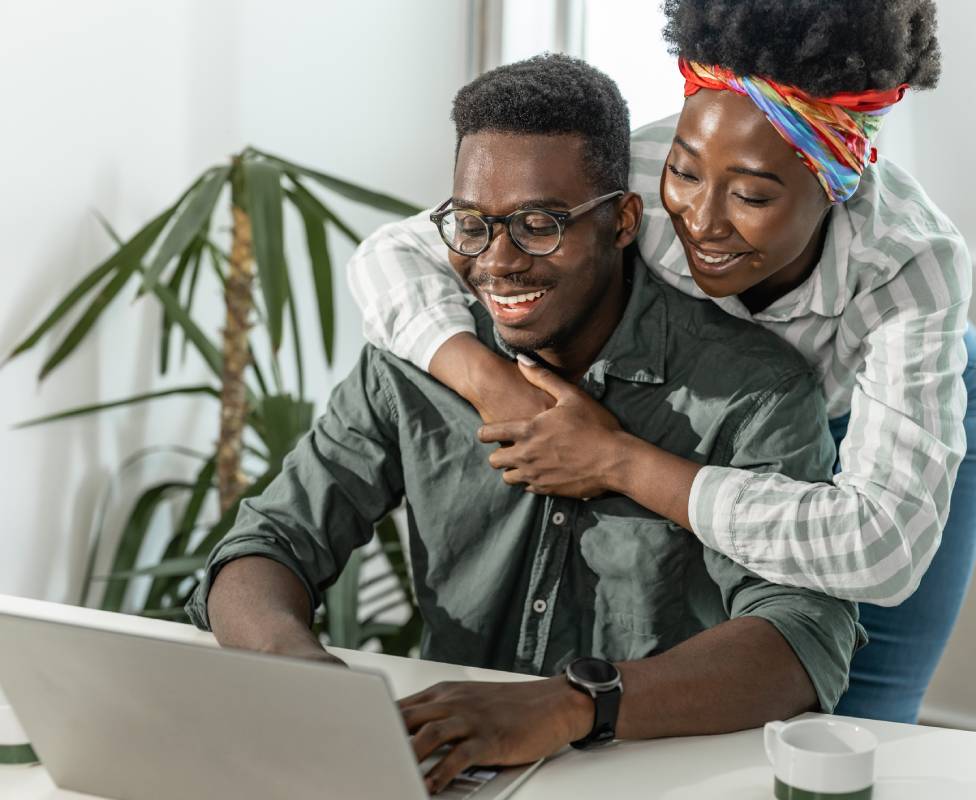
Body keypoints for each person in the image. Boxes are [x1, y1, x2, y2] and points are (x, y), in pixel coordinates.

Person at [186, 54, 861, 794]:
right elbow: (264, 546)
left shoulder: (752, 391)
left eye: (540, 224)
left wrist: (575, 705)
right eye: (472, 225)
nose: (498, 262)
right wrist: (301, 673)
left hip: (658, 773)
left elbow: (799, 638)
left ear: (623, 221)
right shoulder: (412, 366)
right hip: (451, 769)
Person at [345, 0, 976, 724]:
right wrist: (496, 387)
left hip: (862, 420)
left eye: (752, 194)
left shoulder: (909, 260)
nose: (703, 220)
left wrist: (617, 461)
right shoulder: (640, 172)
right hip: (724, 417)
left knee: (859, 718)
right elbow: (394, 255)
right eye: (686, 176)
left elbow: (883, 548)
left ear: (836, 183)